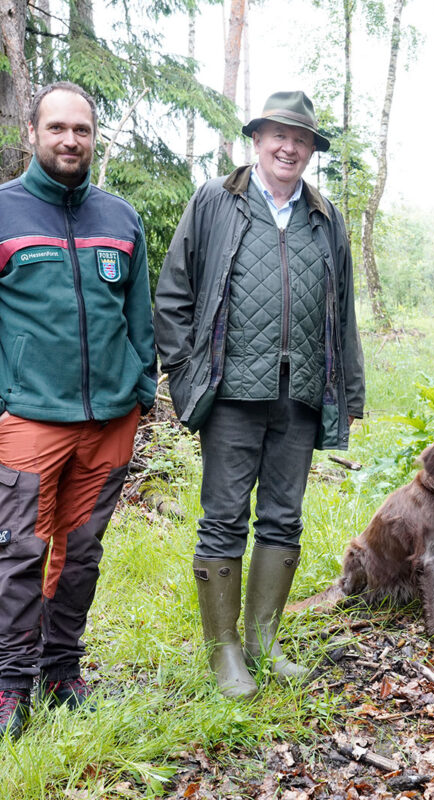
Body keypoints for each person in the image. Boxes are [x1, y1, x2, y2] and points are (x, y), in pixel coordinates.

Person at [0, 81, 156, 739]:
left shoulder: (121, 219)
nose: (71, 140)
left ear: (94, 138)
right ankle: (7, 689)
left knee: (82, 553)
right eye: (58, 128)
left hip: (108, 423)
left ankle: (61, 669)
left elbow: (139, 317)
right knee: (19, 553)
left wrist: (142, 392)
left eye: (83, 130)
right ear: (32, 134)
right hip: (29, 423)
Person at [154, 90, 364, 699]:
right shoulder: (216, 202)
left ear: (311, 149)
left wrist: (348, 389)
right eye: (278, 134)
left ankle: (264, 643)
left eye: (301, 139)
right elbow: (173, 295)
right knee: (223, 519)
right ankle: (225, 653)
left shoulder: (326, 219)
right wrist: (187, 369)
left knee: (283, 517)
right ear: (258, 139)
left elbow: (341, 312)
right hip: (230, 394)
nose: (289, 146)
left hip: (298, 395)